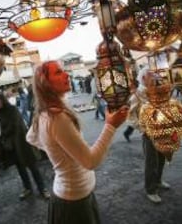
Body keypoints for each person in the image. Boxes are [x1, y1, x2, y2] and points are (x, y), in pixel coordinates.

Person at [26, 61, 128, 224]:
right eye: (58, 73)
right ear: (45, 83)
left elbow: (30, 137)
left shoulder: (44, 113)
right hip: (74, 202)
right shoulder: (57, 117)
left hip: (72, 195)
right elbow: (90, 161)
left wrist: (57, 152)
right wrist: (110, 126)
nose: (67, 75)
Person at [0, 93, 49, 200]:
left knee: (32, 166)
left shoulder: (12, 109)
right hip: (12, 146)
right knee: (20, 168)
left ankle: (42, 189)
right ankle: (28, 188)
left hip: (22, 143)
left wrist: (4, 134)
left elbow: (15, 125)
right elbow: (3, 129)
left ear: (3, 100)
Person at [136, 69, 170, 204]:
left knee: (161, 157)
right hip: (148, 133)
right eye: (151, 75)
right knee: (151, 161)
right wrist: (143, 127)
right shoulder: (137, 94)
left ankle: (158, 181)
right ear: (144, 77)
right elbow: (131, 116)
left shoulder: (155, 89)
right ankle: (151, 190)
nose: (154, 76)